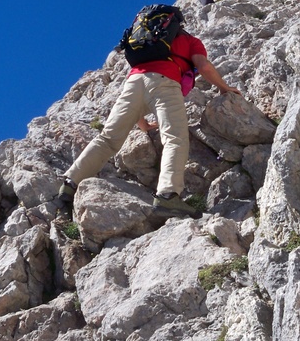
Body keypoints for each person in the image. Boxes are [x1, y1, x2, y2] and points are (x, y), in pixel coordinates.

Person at [58, 14, 240, 219]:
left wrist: (142, 123)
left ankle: (69, 183)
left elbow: (143, 88)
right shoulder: (190, 40)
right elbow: (204, 66)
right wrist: (225, 88)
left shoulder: (146, 42)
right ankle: (168, 195)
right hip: (165, 82)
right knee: (174, 138)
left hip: (133, 82)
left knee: (108, 138)